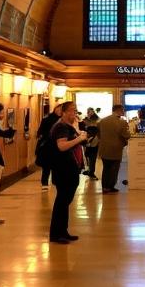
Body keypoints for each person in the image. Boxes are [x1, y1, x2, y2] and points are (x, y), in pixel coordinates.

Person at [48, 101, 89, 244]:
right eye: (71, 111)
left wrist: (79, 134)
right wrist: (79, 138)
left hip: (69, 169)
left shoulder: (68, 126)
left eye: (75, 110)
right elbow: (62, 146)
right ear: (63, 113)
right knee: (62, 202)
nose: (74, 113)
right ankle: (56, 234)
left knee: (65, 202)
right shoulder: (60, 127)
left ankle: (63, 231)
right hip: (63, 169)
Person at [97, 104, 130, 192]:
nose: (123, 111)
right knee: (114, 169)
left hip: (104, 149)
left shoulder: (102, 121)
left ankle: (105, 187)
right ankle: (111, 186)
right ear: (119, 110)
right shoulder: (122, 122)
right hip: (115, 149)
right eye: (123, 110)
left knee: (106, 168)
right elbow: (126, 135)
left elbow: (99, 134)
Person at [36, 103, 63, 190]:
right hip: (48, 145)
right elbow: (40, 131)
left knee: (57, 165)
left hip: (59, 145)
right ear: (55, 109)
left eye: (61, 110)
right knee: (46, 166)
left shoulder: (63, 120)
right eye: (58, 109)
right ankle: (44, 182)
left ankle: (56, 182)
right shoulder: (47, 119)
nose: (59, 111)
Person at [82, 107, 100, 180]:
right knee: (87, 156)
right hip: (86, 141)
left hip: (94, 141)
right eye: (89, 112)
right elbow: (82, 130)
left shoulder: (98, 120)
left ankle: (91, 172)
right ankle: (89, 170)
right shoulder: (84, 120)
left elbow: (99, 131)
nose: (90, 113)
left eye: (92, 111)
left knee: (92, 157)